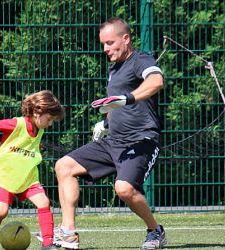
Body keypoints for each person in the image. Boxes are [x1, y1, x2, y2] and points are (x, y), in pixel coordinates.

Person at [53, 17, 166, 250]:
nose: (105, 48)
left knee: (123, 188)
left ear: (126, 39)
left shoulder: (140, 59)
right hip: (113, 140)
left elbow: (156, 81)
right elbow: (116, 105)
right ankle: (68, 233)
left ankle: (155, 231)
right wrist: (105, 123)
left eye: (109, 42)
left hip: (142, 139)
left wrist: (130, 98)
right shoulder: (114, 67)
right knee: (64, 166)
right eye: (103, 43)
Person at [0, 90, 64, 250]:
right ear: (37, 111)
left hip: (27, 177)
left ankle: (48, 244)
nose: (50, 124)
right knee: (1, 212)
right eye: (49, 119)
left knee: (43, 202)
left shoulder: (40, 130)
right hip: (5, 177)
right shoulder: (18, 123)